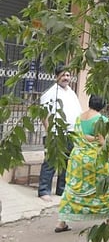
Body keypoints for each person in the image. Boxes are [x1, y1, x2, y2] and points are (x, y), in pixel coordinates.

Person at [55, 95, 109, 233]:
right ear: (103, 106)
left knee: (72, 189)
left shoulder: (79, 118)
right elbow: (103, 142)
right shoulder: (101, 120)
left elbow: (80, 136)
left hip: (77, 160)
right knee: (104, 188)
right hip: (95, 160)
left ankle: (61, 222)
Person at [38, 64, 82, 202]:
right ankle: (44, 190)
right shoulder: (50, 93)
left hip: (71, 133)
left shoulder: (71, 92)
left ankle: (61, 189)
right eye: (63, 75)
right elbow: (44, 115)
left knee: (67, 162)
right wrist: (49, 132)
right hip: (55, 134)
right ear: (56, 76)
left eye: (68, 75)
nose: (66, 78)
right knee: (51, 162)